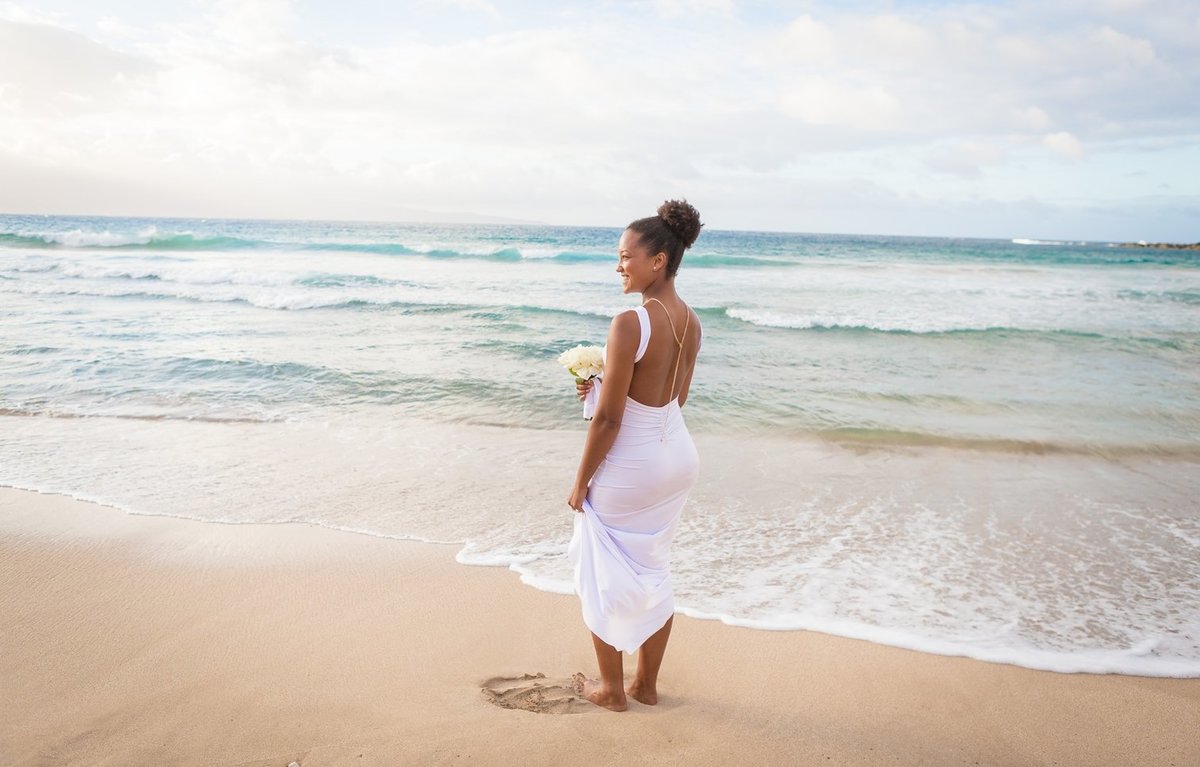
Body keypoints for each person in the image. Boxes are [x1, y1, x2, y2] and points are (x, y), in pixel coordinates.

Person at [566, 199, 704, 712]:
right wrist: (602, 387)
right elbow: (673, 398)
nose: (619, 266)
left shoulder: (631, 322)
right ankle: (645, 685)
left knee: (600, 568)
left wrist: (581, 481)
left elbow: (611, 420)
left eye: (626, 256)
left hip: (635, 466)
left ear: (658, 261)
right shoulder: (691, 322)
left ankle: (610, 690)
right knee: (653, 568)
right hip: (677, 457)